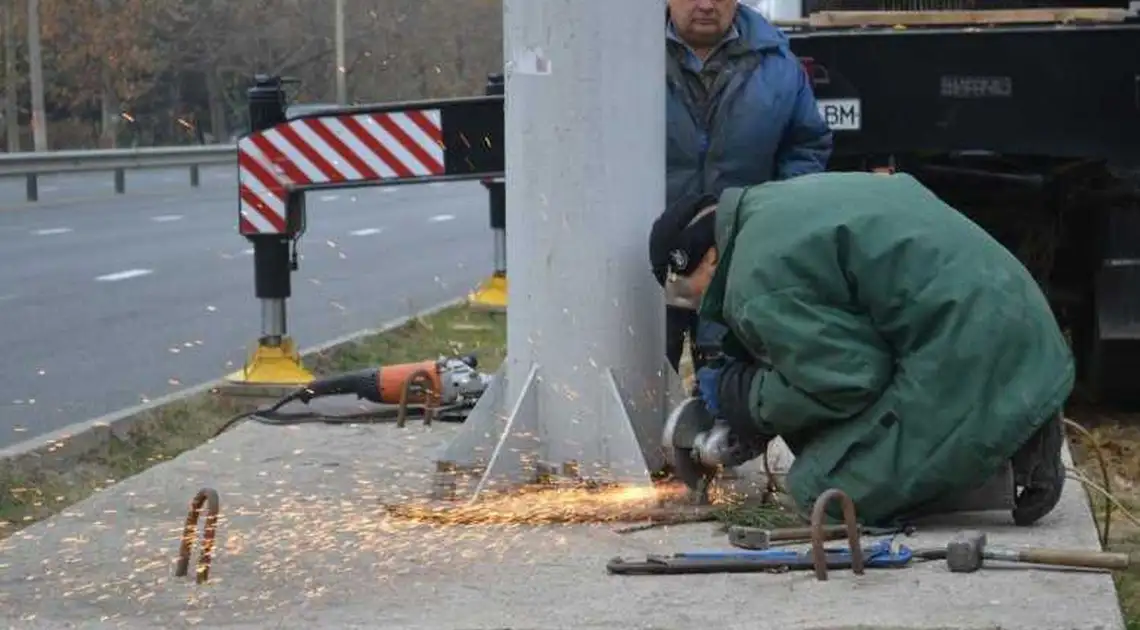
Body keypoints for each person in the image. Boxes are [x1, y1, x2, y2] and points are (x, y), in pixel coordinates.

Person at [648, 171, 1073, 527]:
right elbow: (851, 345)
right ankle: (996, 425)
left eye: (687, 294)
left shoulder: (754, 280)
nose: (698, 307)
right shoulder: (769, 212)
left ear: (706, 258)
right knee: (826, 445)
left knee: (821, 492)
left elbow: (847, 382)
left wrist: (745, 398)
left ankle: (1013, 457)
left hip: (972, 352)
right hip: (1001, 321)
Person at [663, 0, 833, 376]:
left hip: (738, 253)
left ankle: (726, 429)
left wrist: (775, 218)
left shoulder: (777, 63)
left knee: (729, 373)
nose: (706, 4)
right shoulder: (629, 57)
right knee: (645, 367)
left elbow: (806, 145)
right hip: (649, 253)